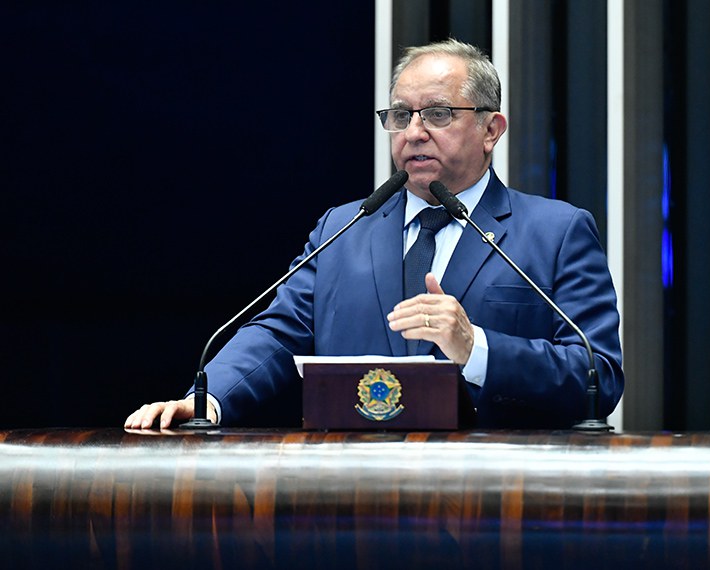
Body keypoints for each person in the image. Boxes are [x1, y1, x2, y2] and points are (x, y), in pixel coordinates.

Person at [124, 38, 623, 430]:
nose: (413, 132)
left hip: (494, 501)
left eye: (438, 113)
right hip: (354, 498)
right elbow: (278, 335)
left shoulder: (555, 232)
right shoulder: (343, 228)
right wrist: (208, 398)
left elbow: (598, 374)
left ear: (491, 129)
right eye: (401, 116)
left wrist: (477, 348)